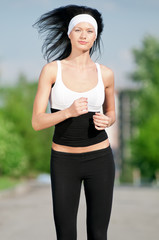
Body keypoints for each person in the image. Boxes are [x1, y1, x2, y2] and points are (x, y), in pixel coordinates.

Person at [32, 4, 116, 240]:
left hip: (100, 158)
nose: (83, 35)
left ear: (95, 36)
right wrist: (67, 112)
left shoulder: (106, 74)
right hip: (63, 161)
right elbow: (37, 122)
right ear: (69, 33)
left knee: (98, 234)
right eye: (78, 30)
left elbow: (112, 112)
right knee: (65, 235)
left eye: (89, 31)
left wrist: (107, 120)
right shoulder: (51, 70)